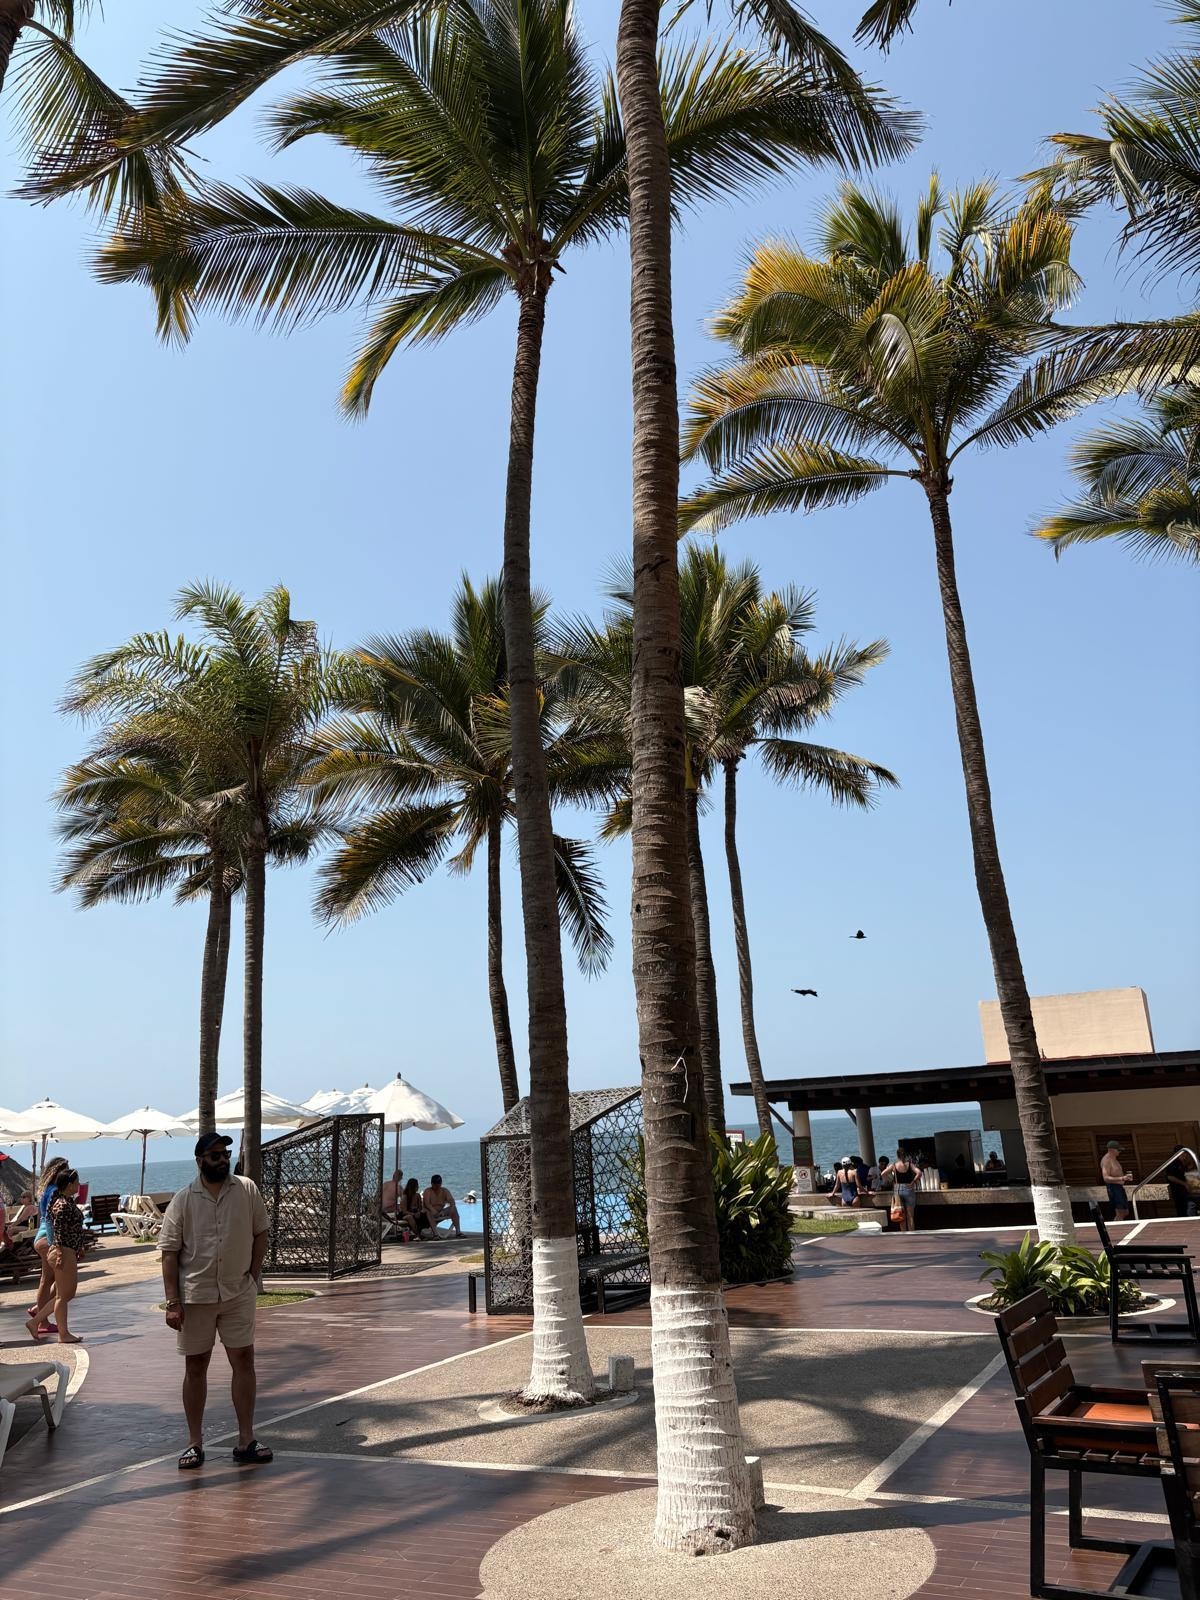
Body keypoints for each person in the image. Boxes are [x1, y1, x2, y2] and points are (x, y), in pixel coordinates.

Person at [158, 1132, 273, 1471]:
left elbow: (261, 1232)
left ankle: (246, 1439)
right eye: (214, 1155)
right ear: (199, 1161)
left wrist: (252, 1275)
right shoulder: (183, 1200)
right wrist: (172, 1302)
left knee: (244, 1360)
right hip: (196, 1297)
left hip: (237, 1293)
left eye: (225, 1154)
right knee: (195, 1367)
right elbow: (169, 1253)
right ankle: (194, 1443)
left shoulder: (247, 1190)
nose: (222, 1159)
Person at [26, 1167, 86, 1343]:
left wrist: (79, 1246)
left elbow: (72, 1228)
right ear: (69, 1184)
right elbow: (58, 1230)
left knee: (65, 1294)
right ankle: (62, 1333)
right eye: (77, 1182)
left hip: (68, 1250)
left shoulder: (66, 1201)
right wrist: (59, 1252)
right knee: (64, 1295)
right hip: (63, 1251)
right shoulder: (62, 1204)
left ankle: (36, 1322)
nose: (79, 1185)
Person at [889, 1149, 922, 1232]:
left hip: (898, 1189)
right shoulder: (910, 1164)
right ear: (906, 1155)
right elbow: (919, 1173)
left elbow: (883, 1174)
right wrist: (913, 1182)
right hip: (908, 1189)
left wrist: (891, 1180)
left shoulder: (894, 1165)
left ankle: (904, 1235)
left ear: (897, 1156)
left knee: (901, 1215)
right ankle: (912, 1234)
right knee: (910, 1216)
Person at [1100, 1140, 1133, 1222]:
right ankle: (1117, 1226)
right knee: (1120, 1212)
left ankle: (1118, 1223)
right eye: (1118, 1150)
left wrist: (1124, 1178)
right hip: (1113, 1188)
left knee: (1125, 1211)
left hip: (1119, 1187)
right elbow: (1106, 1178)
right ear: (1111, 1150)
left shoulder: (1113, 1159)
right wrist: (1122, 1178)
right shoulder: (1107, 1161)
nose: (1120, 1152)